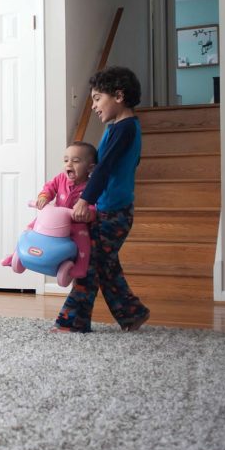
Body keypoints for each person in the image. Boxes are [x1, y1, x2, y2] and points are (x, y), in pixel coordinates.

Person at [53, 66, 151, 333]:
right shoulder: (117, 128)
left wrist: (85, 199)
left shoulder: (124, 128)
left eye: (97, 98)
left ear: (118, 96)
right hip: (109, 209)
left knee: (89, 265)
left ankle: (72, 321)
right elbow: (107, 166)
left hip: (114, 212)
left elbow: (106, 167)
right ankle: (132, 313)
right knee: (106, 267)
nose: (94, 105)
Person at [1, 141, 97, 280]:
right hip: (54, 219)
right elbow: (49, 188)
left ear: (90, 168)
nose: (69, 164)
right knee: (29, 229)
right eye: (66, 160)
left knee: (83, 240)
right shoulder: (60, 178)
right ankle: (17, 253)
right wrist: (44, 197)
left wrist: (88, 214)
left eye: (75, 161)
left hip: (75, 223)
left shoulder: (91, 187)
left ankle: (81, 266)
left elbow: (93, 205)